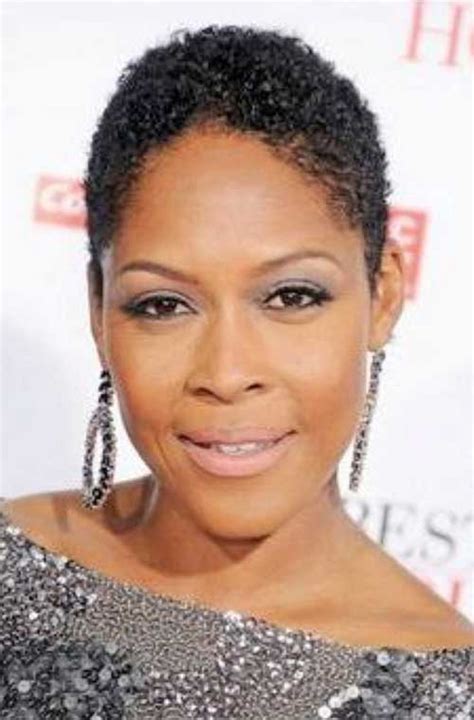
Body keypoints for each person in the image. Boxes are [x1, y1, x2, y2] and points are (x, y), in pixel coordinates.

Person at [1, 24, 472, 719]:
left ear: (384, 295)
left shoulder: (444, 696)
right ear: (99, 311)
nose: (226, 373)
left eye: (291, 297)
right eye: (163, 305)